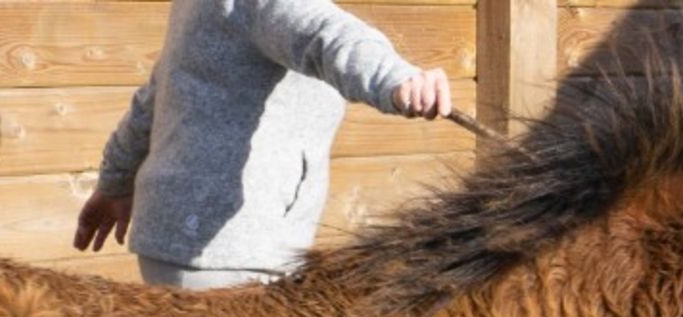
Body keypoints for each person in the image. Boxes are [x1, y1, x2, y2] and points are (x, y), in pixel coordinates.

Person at [72, 0, 453, 289]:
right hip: (227, 249)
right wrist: (397, 80)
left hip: (182, 241)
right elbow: (325, 34)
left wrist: (115, 182)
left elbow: (152, 100)